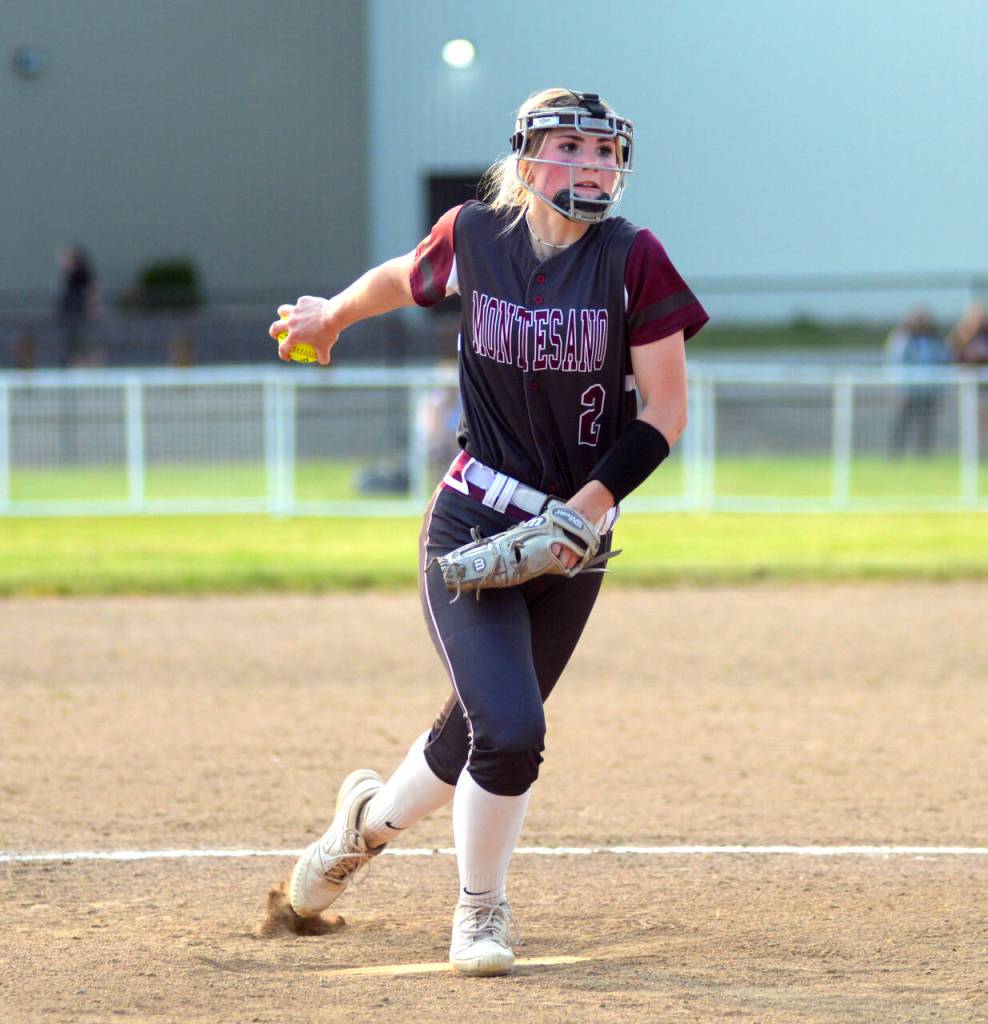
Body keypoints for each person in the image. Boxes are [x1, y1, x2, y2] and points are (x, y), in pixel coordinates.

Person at [269, 88, 708, 977]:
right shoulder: (476, 235)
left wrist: (585, 510)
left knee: (475, 736)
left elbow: (664, 412)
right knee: (509, 730)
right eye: (571, 146)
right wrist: (331, 317)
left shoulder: (634, 259)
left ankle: (354, 837)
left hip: (575, 538)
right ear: (525, 158)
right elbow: (402, 277)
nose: (593, 165)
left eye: (605, 151)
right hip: (473, 518)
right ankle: (479, 911)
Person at [949, 301, 988, 457]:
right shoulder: (963, 335)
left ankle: (987, 452)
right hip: (969, 388)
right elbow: (954, 355)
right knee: (971, 422)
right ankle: (971, 453)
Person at [885, 308, 949, 457]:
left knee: (927, 425)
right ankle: (895, 455)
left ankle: (923, 456)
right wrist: (898, 389)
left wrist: (941, 390)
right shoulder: (902, 339)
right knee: (903, 424)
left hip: (929, 390)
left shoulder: (936, 340)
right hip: (909, 390)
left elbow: (943, 362)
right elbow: (895, 363)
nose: (921, 324)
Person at [56, 245, 99, 368]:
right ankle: (75, 361)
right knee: (72, 339)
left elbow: (92, 289)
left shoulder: (81, 272)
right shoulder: (71, 273)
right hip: (71, 312)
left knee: (82, 338)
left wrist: (91, 307)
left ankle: (85, 362)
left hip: (80, 311)